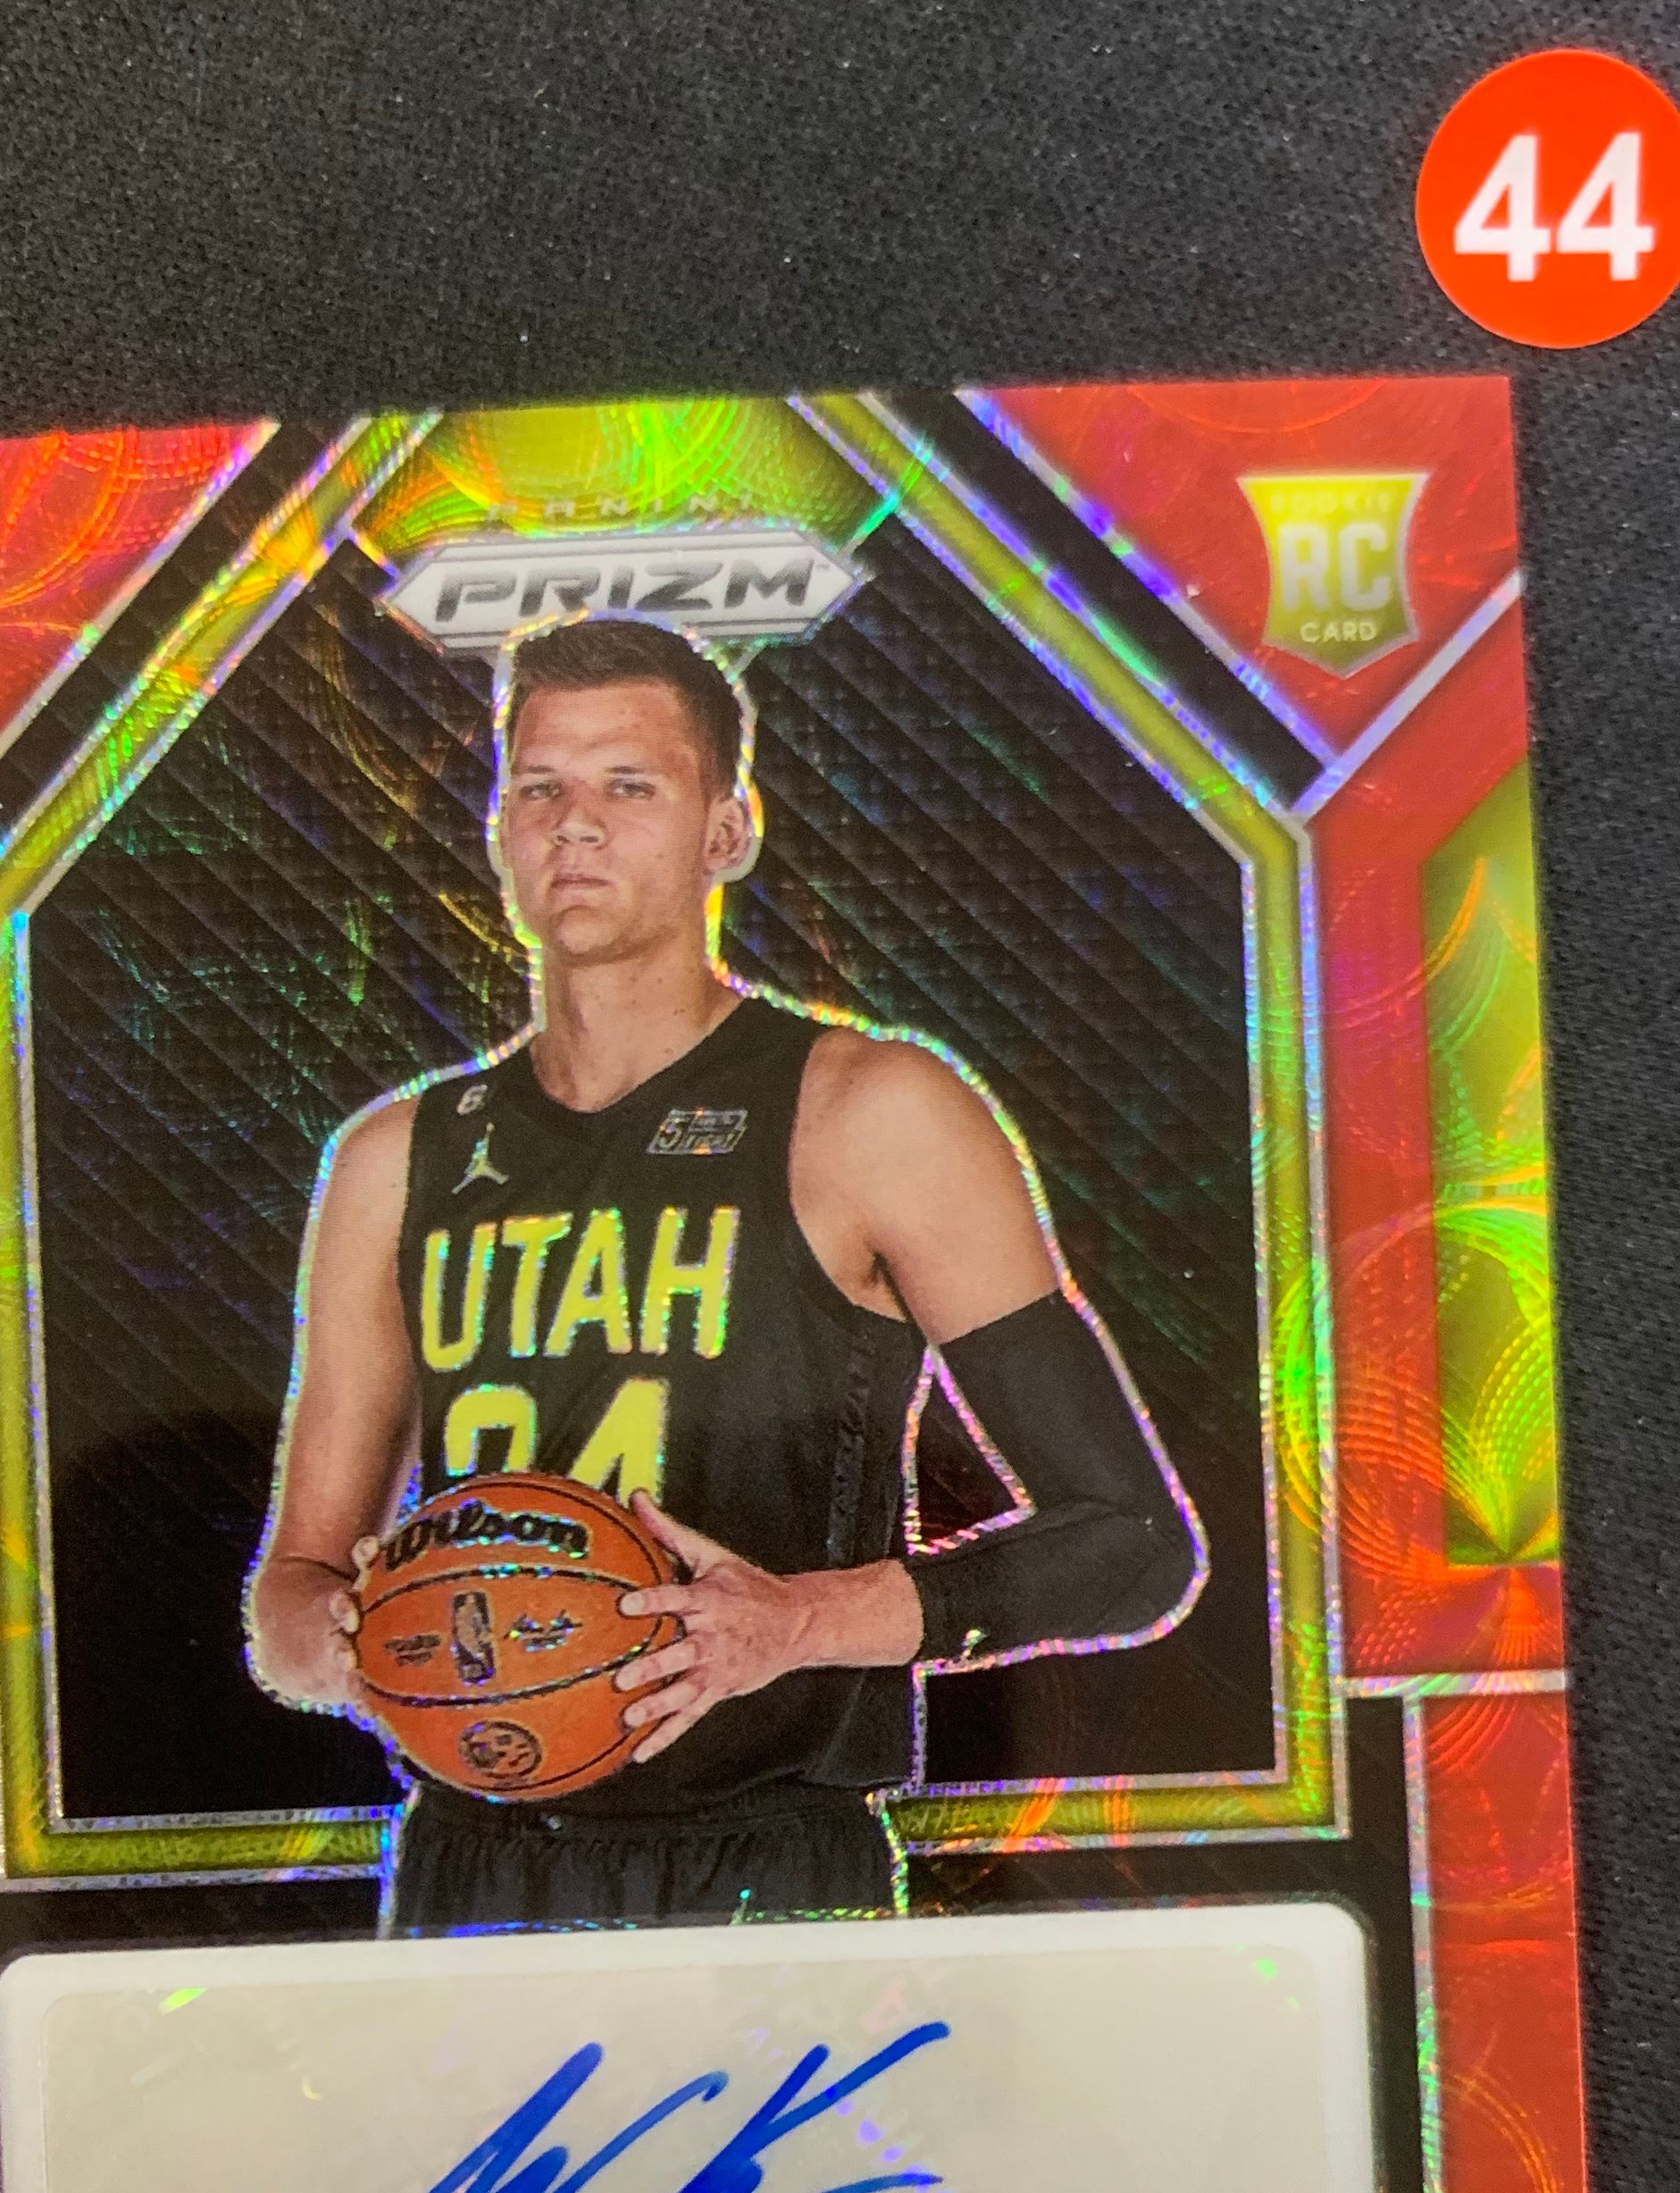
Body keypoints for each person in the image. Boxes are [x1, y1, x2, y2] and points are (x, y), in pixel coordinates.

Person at [247, 613, 1202, 1932]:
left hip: (769, 1861)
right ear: (501, 829)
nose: (576, 827)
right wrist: (347, 1643)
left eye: (630, 786)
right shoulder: (394, 1158)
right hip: (473, 1863)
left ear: (728, 832)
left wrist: (800, 1622)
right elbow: (294, 1590)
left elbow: (1133, 1543)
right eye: (540, 789)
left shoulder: (870, 1112)